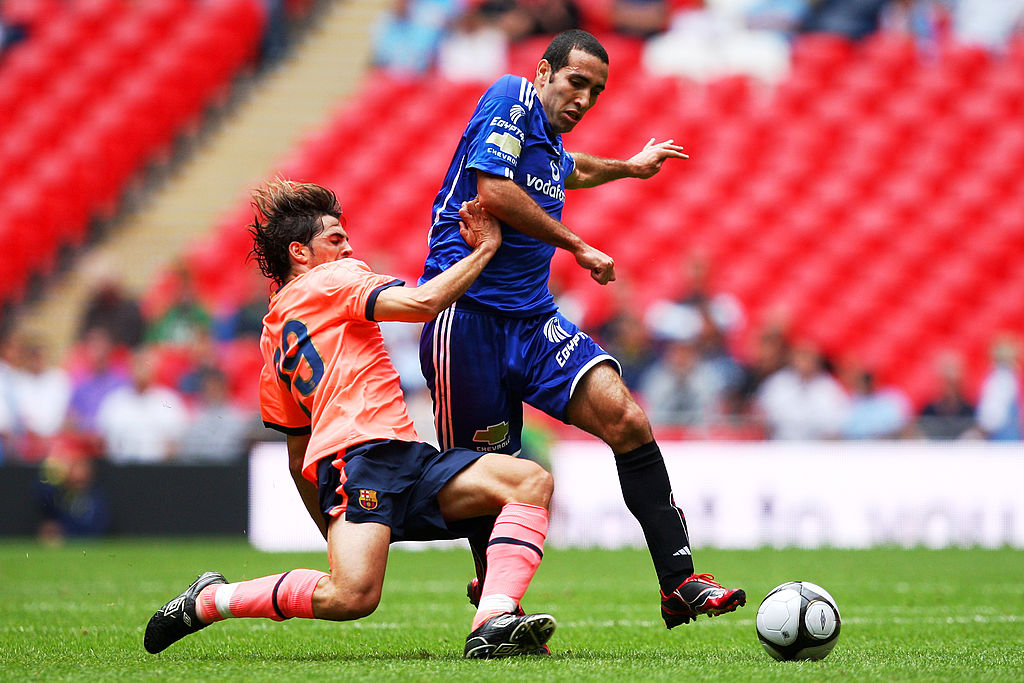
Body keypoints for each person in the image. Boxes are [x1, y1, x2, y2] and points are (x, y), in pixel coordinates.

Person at [144, 180, 557, 659]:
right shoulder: (333, 278)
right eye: (336, 239)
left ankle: (494, 620)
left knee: (527, 482)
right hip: (364, 460)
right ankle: (211, 600)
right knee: (351, 596)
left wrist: (331, 530)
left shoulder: (272, 335)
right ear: (301, 253)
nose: (349, 247)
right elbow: (423, 304)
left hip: (397, 457)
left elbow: (299, 453)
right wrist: (487, 248)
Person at [418, 29, 744, 629]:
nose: (585, 99)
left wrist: (630, 166)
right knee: (490, 472)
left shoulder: (542, 146)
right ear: (543, 72)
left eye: (596, 91)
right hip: (465, 320)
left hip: (533, 320)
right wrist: (579, 246)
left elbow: (574, 170)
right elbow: (493, 190)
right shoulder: (510, 96)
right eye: (576, 83)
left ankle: (679, 580)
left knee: (626, 418)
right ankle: (497, 605)